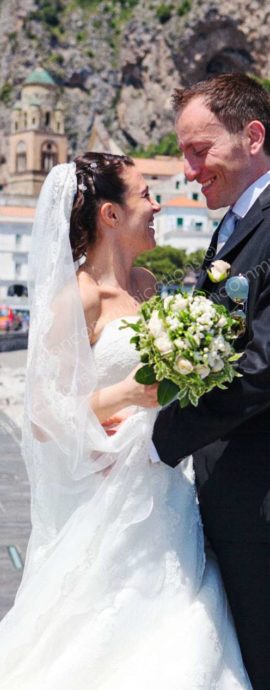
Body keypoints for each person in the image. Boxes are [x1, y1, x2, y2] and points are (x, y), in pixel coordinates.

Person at [0, 153, 251, 689]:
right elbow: (43, 415)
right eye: (143, 195)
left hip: (167, 480)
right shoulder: (81, 296)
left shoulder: (145, 285)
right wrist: (127, 394)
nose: (156, 202)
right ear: (110, 215)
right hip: (111, 484)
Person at [153, 73, 270, 690]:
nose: (191, 167)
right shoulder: (231, 226)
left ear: (252, 136)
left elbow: (262, 368)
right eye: (184, 153)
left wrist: (159, 438)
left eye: (201, 150)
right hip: (228, 495)